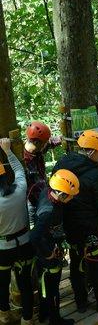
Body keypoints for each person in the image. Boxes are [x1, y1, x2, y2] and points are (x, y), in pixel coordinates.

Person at [52, 130, 98, 312]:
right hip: (90, 227)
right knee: (95, 262)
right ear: (92, 152)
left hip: (69, 226)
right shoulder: (94, 173)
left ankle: (81, 302)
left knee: (76, 261)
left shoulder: (63, 162)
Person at [30, 169, 80, 325]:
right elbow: (34, 236)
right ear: (61, 194)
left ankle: (44, 314)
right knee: (53, 289)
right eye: (71, 195)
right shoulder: (48, 212)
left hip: (47, 248)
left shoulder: (48, 192)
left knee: (45, 286)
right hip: (49, 254)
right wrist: (47, 254)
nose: (72, 198)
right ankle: (55, 320)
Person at [0, 138, 34, 325]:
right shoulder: (20, 190)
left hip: (3, 249)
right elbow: (20, 171)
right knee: (25, 285)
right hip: (24, 244)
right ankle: (27, 319)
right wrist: (8, 151)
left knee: (2, 283)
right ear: (5, 176)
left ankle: (4, 314)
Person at [24, 121, 61, 223]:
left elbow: (51, 142)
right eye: (44, 142)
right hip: (31, 203)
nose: (46, 144)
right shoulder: (24, 161)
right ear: (37, 142)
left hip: (44, 197)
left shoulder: (38, 149)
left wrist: (62, 139)